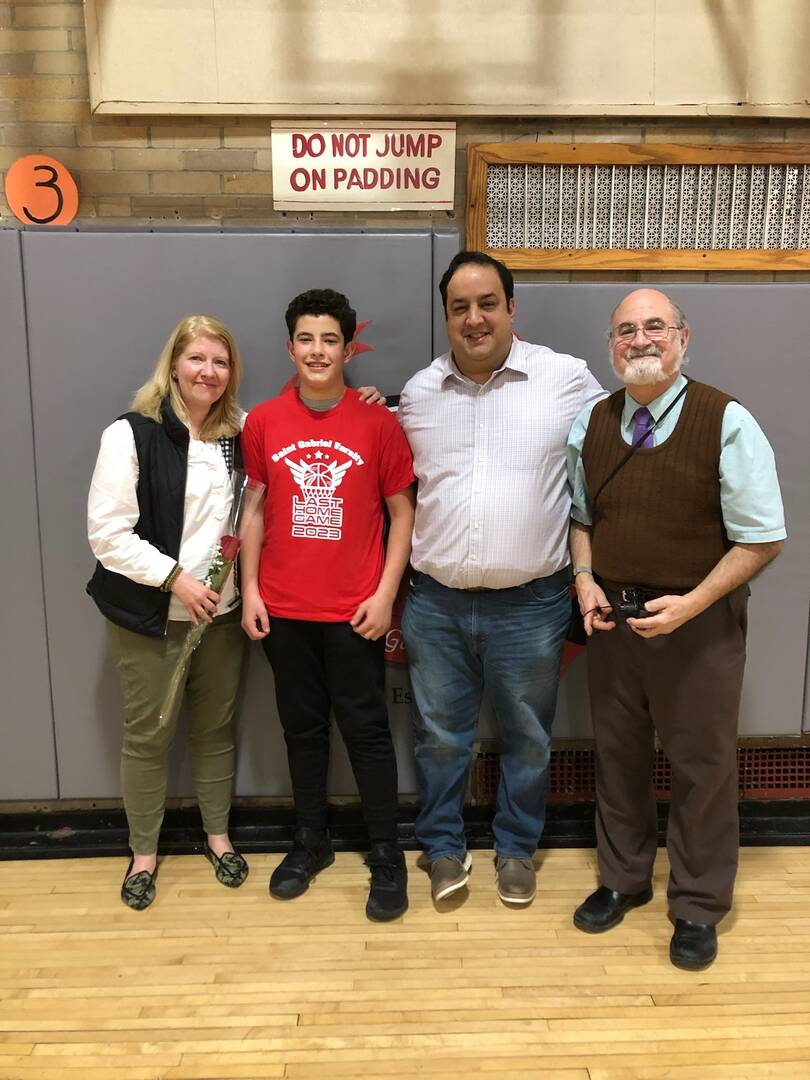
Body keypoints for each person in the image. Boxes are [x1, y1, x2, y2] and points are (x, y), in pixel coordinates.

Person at [567, 288, 785, 970]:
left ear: (683, 339)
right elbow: (581, 518)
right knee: (618, 756)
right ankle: (623, 879)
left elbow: (763, 539)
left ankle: (696, 904)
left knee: (704, 768)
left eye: (654, 327)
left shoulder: (728, 421)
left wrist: (690, 604)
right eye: (626, 330)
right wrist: (583, 580)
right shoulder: (591, 423)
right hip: (614, 622)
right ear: (611, 346)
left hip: (698, 629)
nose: (640, 340)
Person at [398, 250, 605, 906]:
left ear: (512, 307)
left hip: (533, 605)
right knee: (438, 738)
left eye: (487, 303)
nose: (474, 318)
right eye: (459, 307)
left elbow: (622, 448)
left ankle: (517, 847)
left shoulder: (567, 380)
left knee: (529, 736)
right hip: (434, 603)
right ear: (446, 317)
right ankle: (441, 847)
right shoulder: (419, 392)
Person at [240, 288, 416, 922]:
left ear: (349, 348)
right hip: (284, 611)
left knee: (368, 733)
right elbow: (254, 508)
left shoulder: (377, 423)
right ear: (290, 347)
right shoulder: (262, 421)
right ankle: (309, 841)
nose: (318, 350)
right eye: (306, 339)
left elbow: (403, 515)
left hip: (355, 612)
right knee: (301, 731)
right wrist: (252, 588)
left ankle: (387, 854)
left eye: (330, 339)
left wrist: (386, 593)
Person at [87, 314, 250, 910]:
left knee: (214, 732)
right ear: (174, 365)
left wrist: (366, 397)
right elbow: (107, 535)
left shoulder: (241, 431)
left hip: (222, 618)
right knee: (147, 737)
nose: (209, 371)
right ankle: (144, 855)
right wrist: (178, 580)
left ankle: (217, 837)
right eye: (197, 359)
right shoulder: (129, 434)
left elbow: (298, 424)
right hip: (148, 617)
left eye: (221, 362)